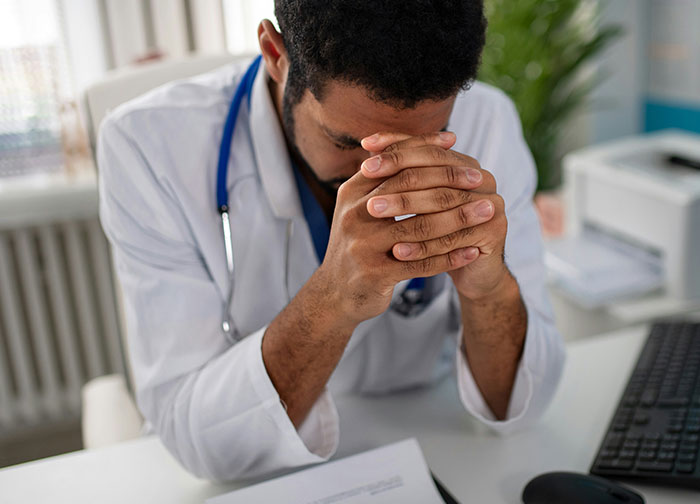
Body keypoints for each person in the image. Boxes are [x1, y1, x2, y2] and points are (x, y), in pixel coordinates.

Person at [98, 0, 565, 482]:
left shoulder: (488, 121)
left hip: (434, 441)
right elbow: (202, 444)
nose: (381, 174)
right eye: (348, 143)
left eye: (430, 138)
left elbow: (527, 402)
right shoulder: (148, 146)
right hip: (261, 474)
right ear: (275, 54)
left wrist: (488, 291)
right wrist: (333, 299)